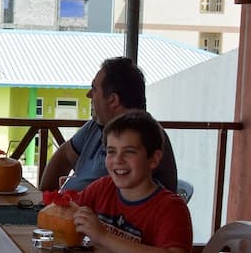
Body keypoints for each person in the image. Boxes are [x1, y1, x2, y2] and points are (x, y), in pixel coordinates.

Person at [71, 111, 192, 253]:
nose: (118, 160)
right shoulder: (104, 187)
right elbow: (72, 209)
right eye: (111, 152)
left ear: (153, 159)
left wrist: (103, 236)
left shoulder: (171, 208)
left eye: (129, 152)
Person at [39, 56, 177, 192]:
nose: (88, 95)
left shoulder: (147, 137)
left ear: (112, 100)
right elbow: (64, 156)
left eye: (94, 89)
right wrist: (45, 199)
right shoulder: (96, 125)